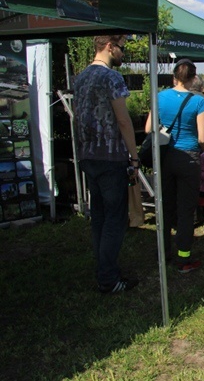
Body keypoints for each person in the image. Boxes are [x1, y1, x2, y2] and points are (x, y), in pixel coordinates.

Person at [74, 35, 140, 293]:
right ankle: (109, 278)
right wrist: (134, 157)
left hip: (88, 155)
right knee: (114, 218)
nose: (123, 53)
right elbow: (123, 120)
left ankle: (103, 269)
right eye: (121, 49)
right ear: (110, 47)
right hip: (110, 156)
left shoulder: (80, 77)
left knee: (99, 217)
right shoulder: (111, 77)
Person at [145, 59, 204, 272]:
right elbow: (202, 139)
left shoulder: (159, 96)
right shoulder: (199, 102)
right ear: (193, 79)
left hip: (165, 156)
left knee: (164, 207)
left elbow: (148, 129)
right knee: (185, 210)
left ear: (174, 77)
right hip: (189, 157)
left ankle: (162, 255)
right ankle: (184, 258)